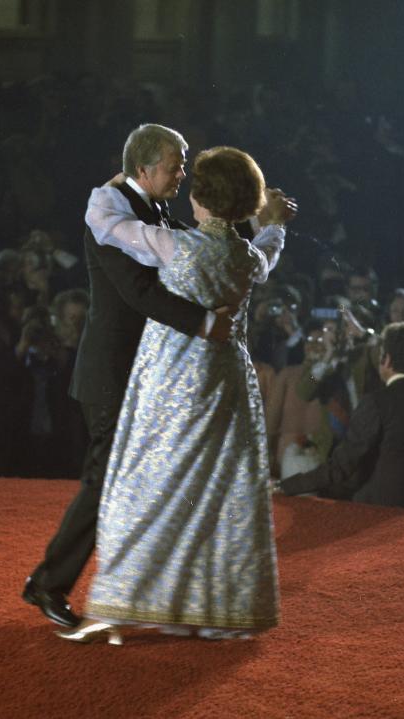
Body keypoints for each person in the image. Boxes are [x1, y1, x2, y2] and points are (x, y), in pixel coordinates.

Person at [59, 145, 292, 644]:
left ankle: (144, 598)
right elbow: (269, 253)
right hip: (227, 381)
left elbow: (109, 224)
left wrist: (118, 180)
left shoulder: (175, 246)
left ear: (202, 198)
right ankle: (213, 610)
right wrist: (272, 221)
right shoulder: (246, 256)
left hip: (172, 383)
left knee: (151, 487)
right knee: (218, 491)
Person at [20, 124, 240, 628]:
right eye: (176, 164)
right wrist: (206, 325)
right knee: (104, 483)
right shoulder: (111, 215)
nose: (183, 173)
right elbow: (138, 291)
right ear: (144, 169)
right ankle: (49, 584)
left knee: (134, 483)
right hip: (111, 375)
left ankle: (140, 591)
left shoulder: (146, 205)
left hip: (140, 374)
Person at [279, 322, 404, 513]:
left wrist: (364, 334)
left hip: (371, 460)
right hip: (336, 449)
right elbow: (304, 391)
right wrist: (326, 359)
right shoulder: (321, 365)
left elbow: (396, 352)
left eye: (338, 330)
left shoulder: (365, 355)